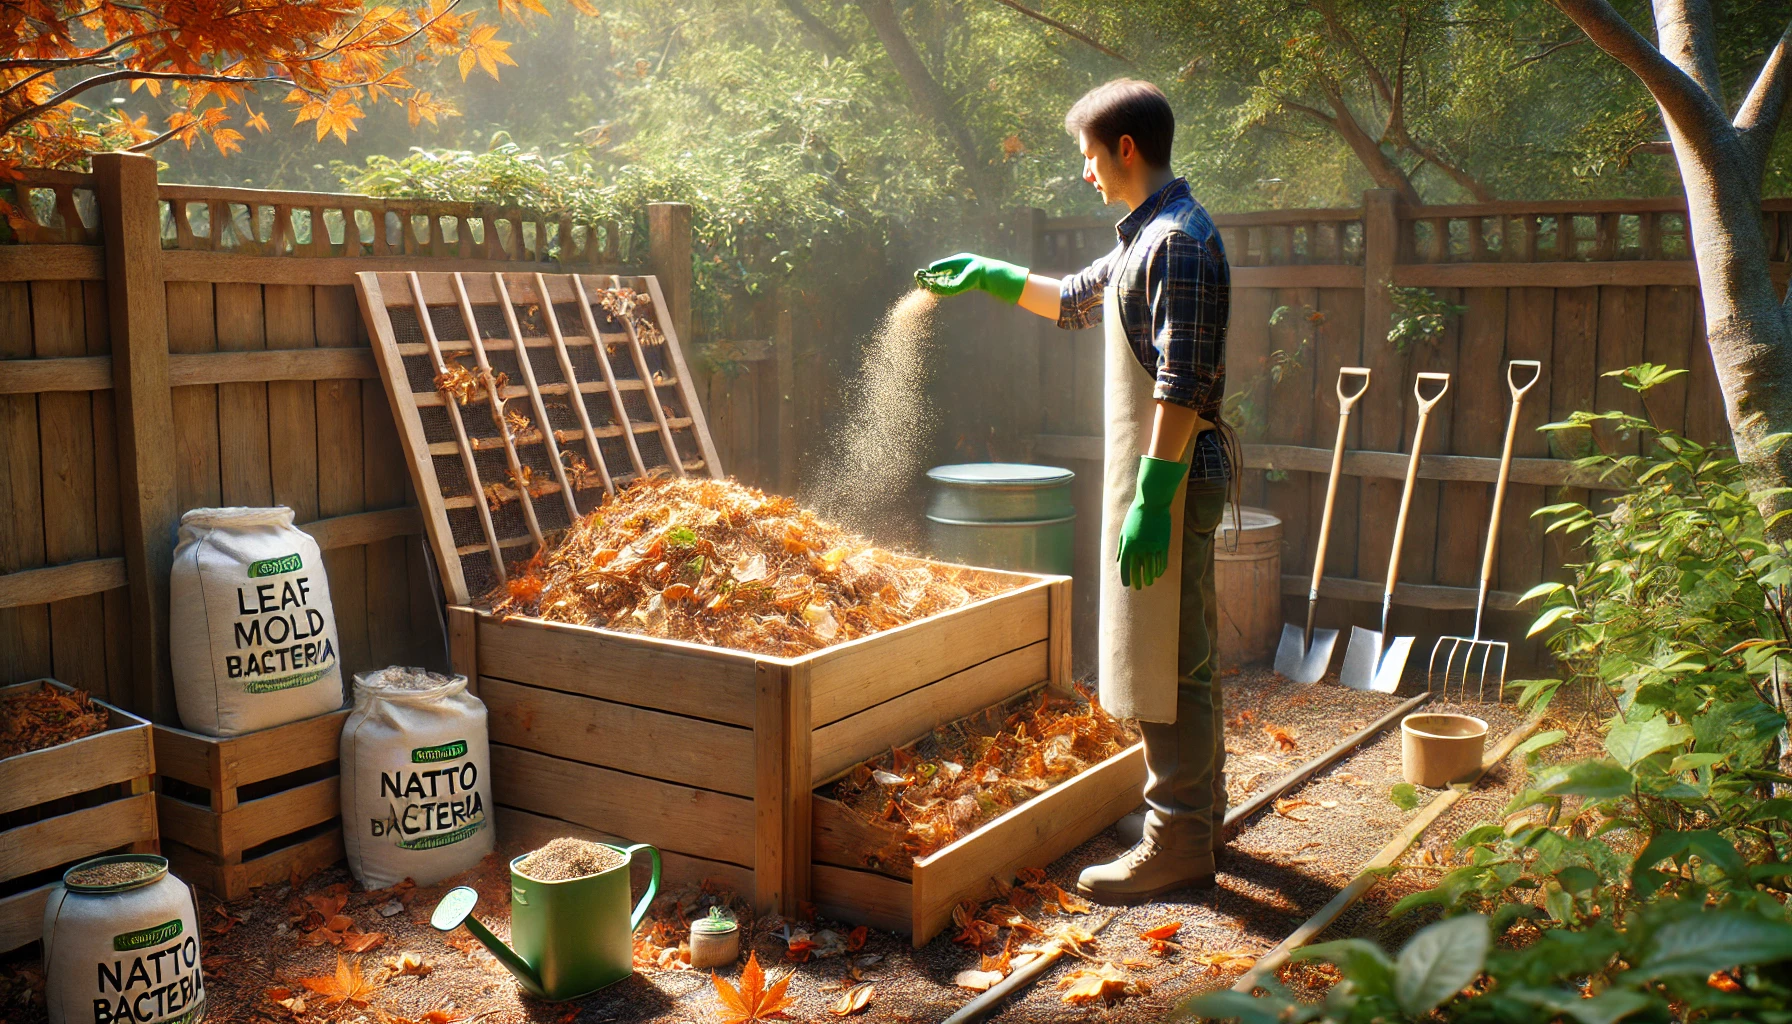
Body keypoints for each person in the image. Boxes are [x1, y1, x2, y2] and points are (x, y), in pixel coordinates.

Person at [914, 78, 1234, 904]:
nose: (1085, 172)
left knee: (1174, 662)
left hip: (1174, 480)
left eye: (1088, 157)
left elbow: (1184, 382)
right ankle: (1192, 820)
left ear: (1125, 148)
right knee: (1176, 653)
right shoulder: (1143, 240)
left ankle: (1178, 841)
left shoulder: (1179, 242)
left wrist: (1152, 500)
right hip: (1160, 483)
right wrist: (990, 275)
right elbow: (1073, 301)